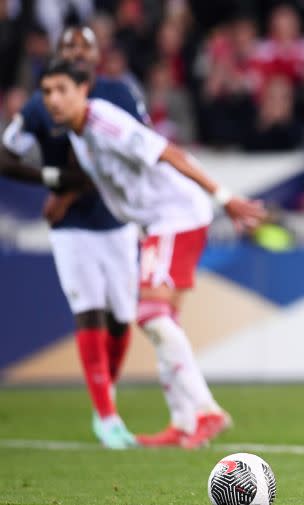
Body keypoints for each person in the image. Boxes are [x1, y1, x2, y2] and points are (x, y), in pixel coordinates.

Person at [37, 58, 267, 448]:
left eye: (62, 90)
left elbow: (169, 153)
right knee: (164, 320)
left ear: (82, 91)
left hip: (176, 215)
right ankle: (181, 422)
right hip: (161, 221)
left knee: (151, 315)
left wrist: (224, 197)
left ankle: (206, 410)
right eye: (46, 92)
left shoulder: (104, 122)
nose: (53, 100)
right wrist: (65, 198)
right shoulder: (78, 134)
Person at [0, 26, 145, 449]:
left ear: (98, 56)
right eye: (69, 46)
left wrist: (72, 190)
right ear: (58, 53)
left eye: (85, 46)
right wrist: (54, 179)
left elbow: (136, 152)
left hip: (117, 221)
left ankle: (106, 399)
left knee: (122, 318)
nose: (77, 52)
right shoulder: (43, 103)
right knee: (89, 311)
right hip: (71, 230)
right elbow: (5, 154)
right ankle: (106, 415)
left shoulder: (120, 93)